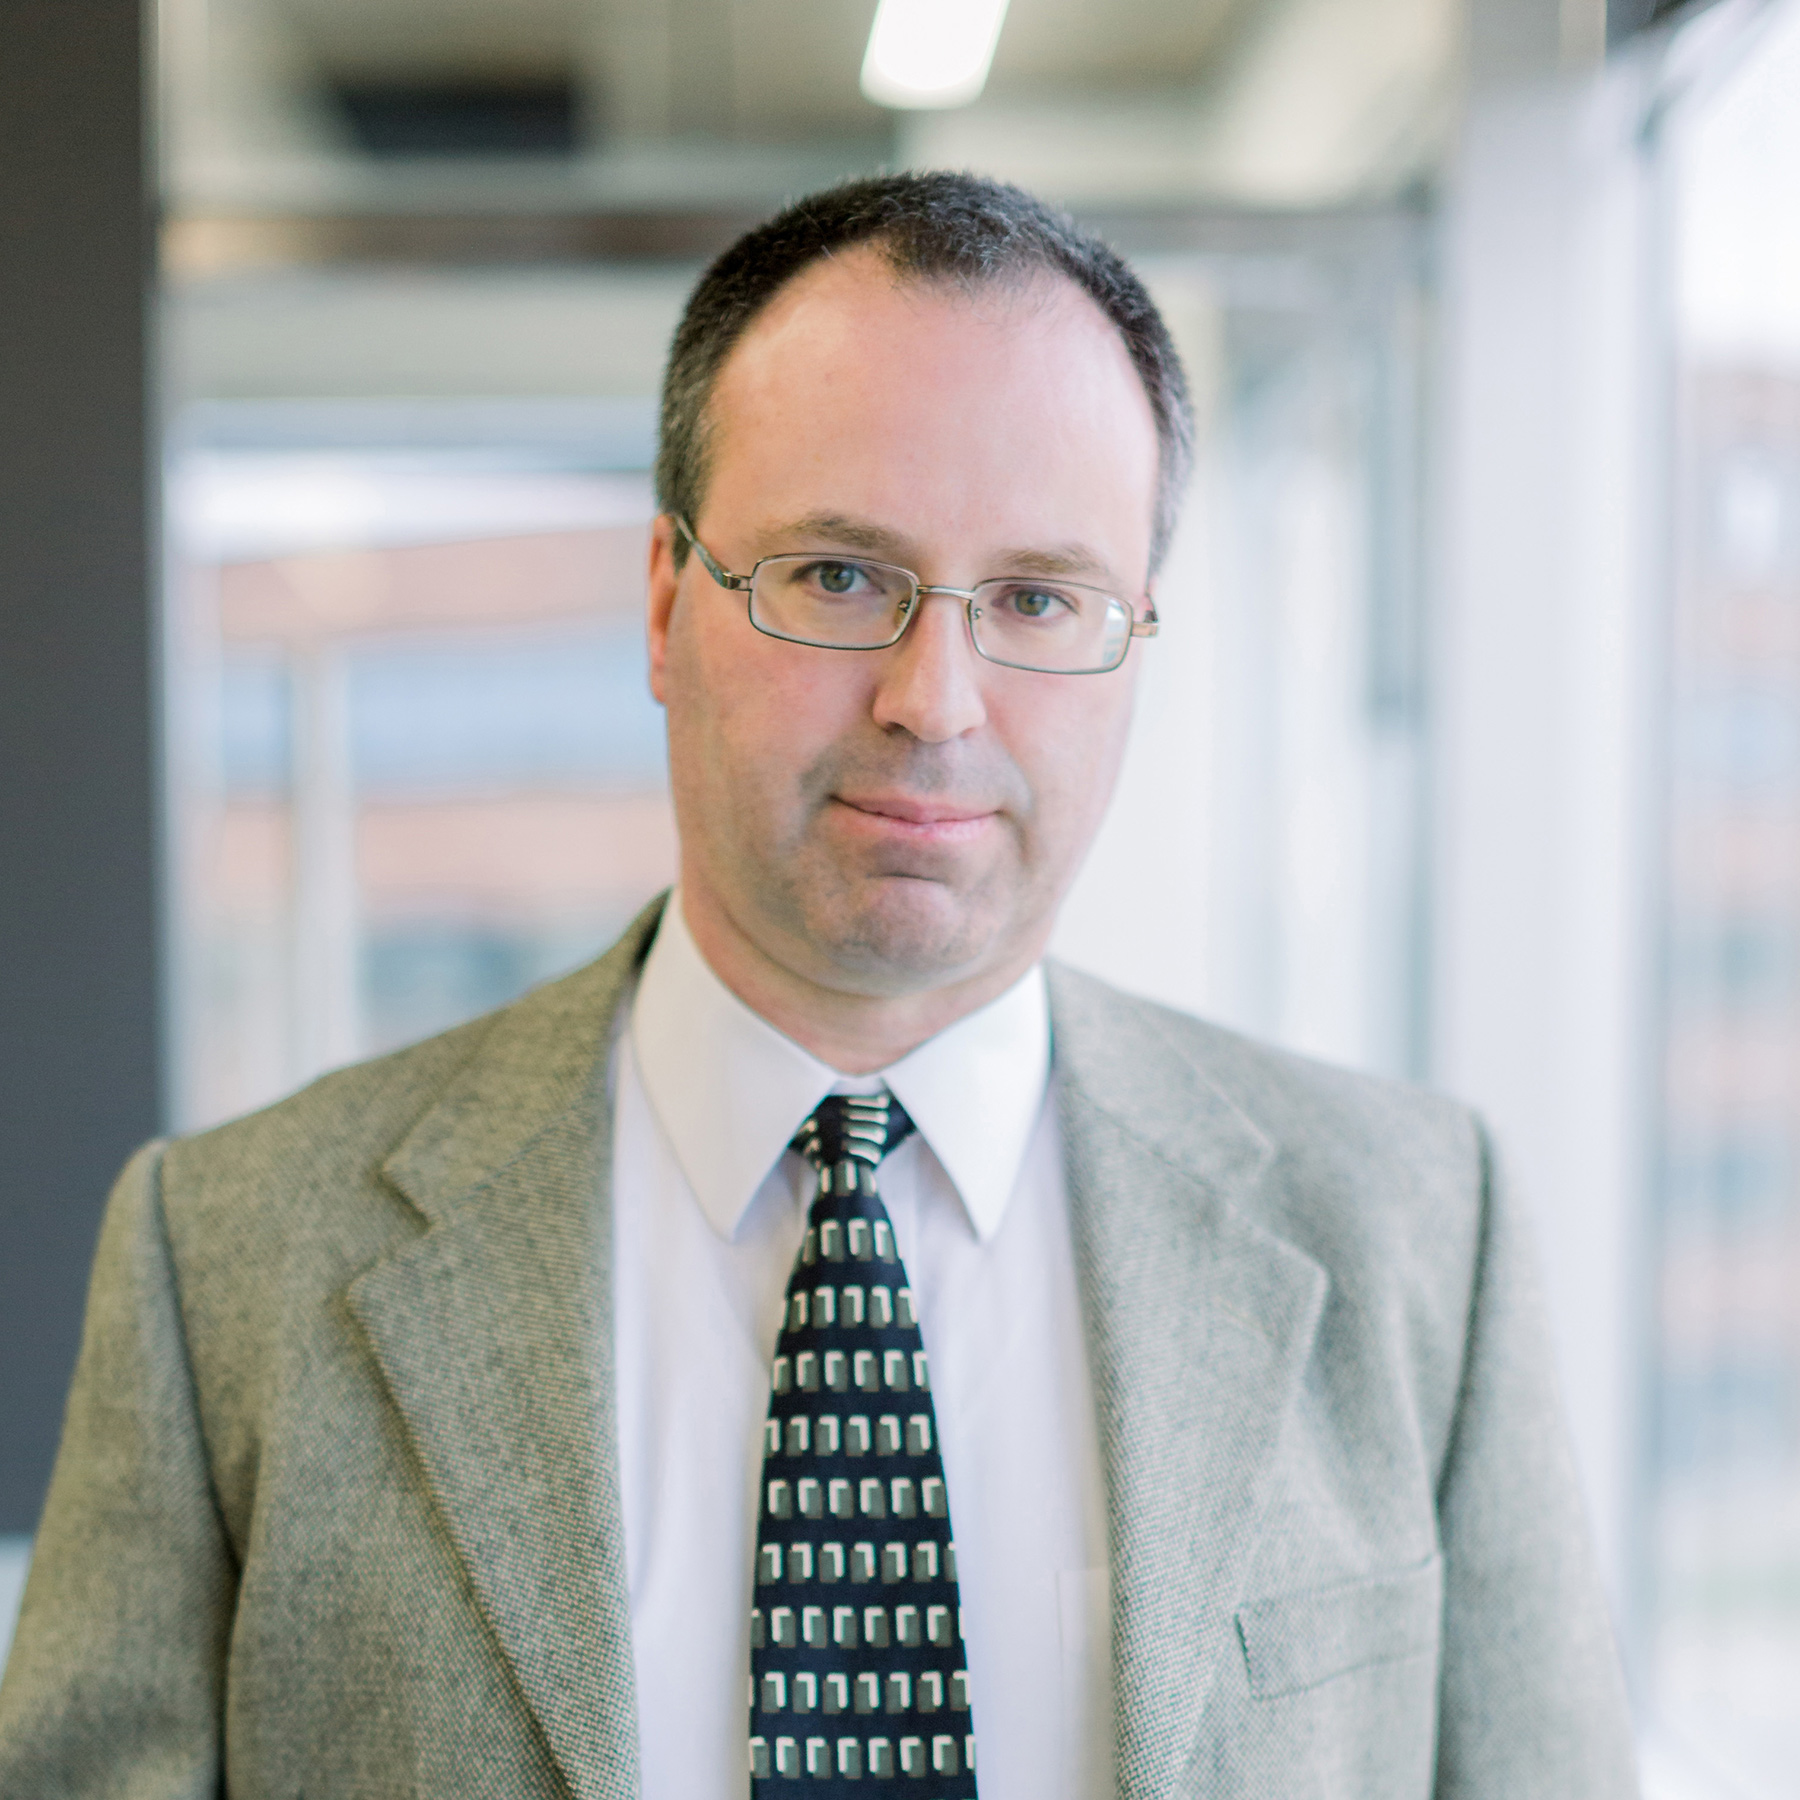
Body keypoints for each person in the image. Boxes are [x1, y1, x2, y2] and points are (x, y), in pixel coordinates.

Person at [0, 172, 1637, 1798]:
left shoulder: (1419, 1234)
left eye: (1039, 599)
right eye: (840, 576)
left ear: (1137, 640)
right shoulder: (231, 1265)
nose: (937, 701)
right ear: (667, 605)